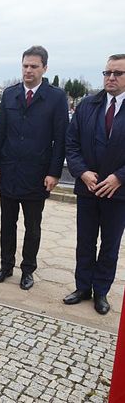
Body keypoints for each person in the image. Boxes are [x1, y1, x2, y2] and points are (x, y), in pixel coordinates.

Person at [0, 46, 69, 290]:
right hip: (10, 170)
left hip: (37, 173)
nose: (28, 70)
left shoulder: (56, 97)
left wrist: (54, 172)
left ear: (44, 68)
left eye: (34, 66)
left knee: (32, 226)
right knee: (7, 224)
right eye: (25, 65)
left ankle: (28, 270)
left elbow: (61, 138)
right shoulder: (10, 94)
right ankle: (5, 266)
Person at [63, 54, 125, 315]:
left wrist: (119, 177)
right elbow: (71, 143)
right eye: (107, 72)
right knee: (85, 241)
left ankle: (101, 291)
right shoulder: (88, 105)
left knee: (109, 245)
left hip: (118, 191)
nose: (110, 77)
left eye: (117, 73)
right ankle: (82, 287)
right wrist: (82, 172)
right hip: (88, 188)